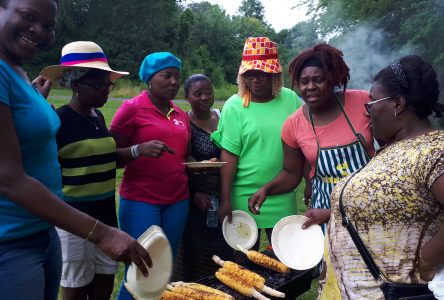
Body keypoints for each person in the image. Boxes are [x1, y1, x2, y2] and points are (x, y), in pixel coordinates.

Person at [0, 1, 151, 300]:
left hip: (42, 231)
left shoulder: (16, 70)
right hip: (12, 240)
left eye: (49, 26)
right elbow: (8, 178)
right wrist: (103, 233)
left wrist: (35, 100)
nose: (39, 31)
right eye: (29, 17)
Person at [313, 55, 444, 299]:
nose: (368, 111)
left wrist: (428, 259)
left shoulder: (435, 150)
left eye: (372, 102)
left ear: (398, 104)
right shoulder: (394, 147)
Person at [248, 43, 375, 232]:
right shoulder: (293, 125)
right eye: (304, 81)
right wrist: (267, 189)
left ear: (332, 79)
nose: (310, 87)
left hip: (371, 205)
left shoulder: (363, 101)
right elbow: (291, 173)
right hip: (324, 213)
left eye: (318, 80)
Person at [40, 41, 128, 300]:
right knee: (76, 288)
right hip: (73, 222)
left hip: (106, 217)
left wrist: (136, 151)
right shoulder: (59, 121)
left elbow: (105, 158)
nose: (106, 92)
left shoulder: (98, 117)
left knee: (104, 284)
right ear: (76, 85)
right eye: (99, 86)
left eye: (108, 85)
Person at [110, 52, 191, 300]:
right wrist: (138, 150)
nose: (174, 82)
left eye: (176, 77)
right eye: (166, 76)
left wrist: (201, 165)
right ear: (149, 79)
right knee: (140, 271)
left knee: (163, 269)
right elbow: (109, 156)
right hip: (141, 201)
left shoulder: (180, 114)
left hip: (178, 200)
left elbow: (183, 157)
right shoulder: (131, 109)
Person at [211, 37, 302, 250]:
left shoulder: (290, 100)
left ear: (274, 74)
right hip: (242, 195)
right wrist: (226, 198)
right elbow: (229, 155)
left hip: (281, 192)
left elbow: (303, 144)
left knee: (285, 257)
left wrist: (311, 183)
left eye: (262, 74)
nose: (255, 80)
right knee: (244, 260)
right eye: (250, 74)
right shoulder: (234, 105)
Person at [173, 74, 234, 281]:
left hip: (224, 190)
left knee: (223, 246)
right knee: (195, 250)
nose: (204, 97)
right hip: (197, 193)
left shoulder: (222, 116)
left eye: (208, 92)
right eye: (198, 94)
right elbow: (183, 156)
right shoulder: (183, 121)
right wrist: (195, 191)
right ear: (187, 97)